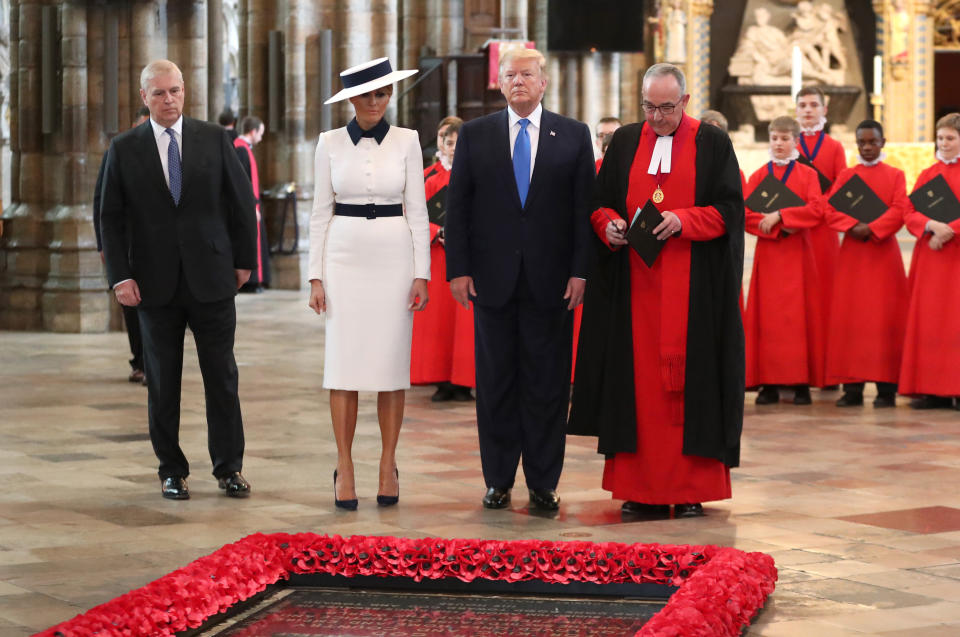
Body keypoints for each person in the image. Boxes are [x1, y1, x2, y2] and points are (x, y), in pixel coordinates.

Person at [569, 63, 745, 519]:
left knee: (690, 389)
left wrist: (685, 221)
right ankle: (638, 487)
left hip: (694, 292)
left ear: (684, 102)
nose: (657, 117)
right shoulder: (626, 140)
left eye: (666, 108)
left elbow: (729, 210)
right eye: (649, 107)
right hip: (633, 293)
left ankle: (690, 488)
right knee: (636, 389)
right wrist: (607, 225)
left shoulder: (712, 141)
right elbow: (598, 201)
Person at [445, 47, 595, 511]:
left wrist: (580, 271)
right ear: (500, 82)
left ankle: (543, 481)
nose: (518, 82)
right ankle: (498, 479)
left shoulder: (573, 135)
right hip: (491, 281)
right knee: (495, 385)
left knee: (547, 385)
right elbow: (460, 208)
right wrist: (458, 270)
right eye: (509, 75)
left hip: (552, 284)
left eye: (526, 75)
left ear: (543, 82)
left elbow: (582, 211)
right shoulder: (476, 135)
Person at [99, 60, 258, 500]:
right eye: (158, 93)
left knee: (222, 377)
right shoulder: (124, 148)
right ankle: (171, 469)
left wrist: (244, 262)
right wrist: (120, 277)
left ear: (184, 91)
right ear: (143, 98)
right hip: (153, 283)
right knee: (163, 382)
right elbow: (109, 219)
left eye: (174, 91)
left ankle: (229, 467)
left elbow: (241, 203)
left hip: (212, 277)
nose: (168, 100)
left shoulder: (214, 139)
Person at [308, 58, 429, 510]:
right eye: (365, 95)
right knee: (344, 366)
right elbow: (321, 211)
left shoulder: (409, 141)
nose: (374, 102)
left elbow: (417, 209)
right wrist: (315, 276)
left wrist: (422, 273)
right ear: (351, 100)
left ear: (390, 96)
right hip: (343, 257)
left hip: (395, 257)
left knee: (391, 367)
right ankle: (345, 465)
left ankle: (387, 463)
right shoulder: (329, 143)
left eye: (381, 93)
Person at [821, 120, 908, 408]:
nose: (867, 147)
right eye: (862, 143)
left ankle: (886, 389)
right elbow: (829, 209)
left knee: (885, 320)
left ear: (883, 142)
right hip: (854, 257)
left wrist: (873, 228)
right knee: (852, 320)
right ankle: (853, 387)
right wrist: (852, 226)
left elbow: (900, 209)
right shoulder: (847, 176)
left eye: (873, 142)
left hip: (883, 255)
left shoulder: (896, 175)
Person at [743, 116, 824, 405]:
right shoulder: (758, 176)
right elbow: (746, 214)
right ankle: (769, 384)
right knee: (767, 319)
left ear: (796, 141)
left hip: (798, 253)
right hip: (769, 254)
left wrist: (782, 217)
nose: (779, 144)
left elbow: (817, 209)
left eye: (784, 139)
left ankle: (800, 382)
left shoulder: (808, 175)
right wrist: (774, 225)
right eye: (774, 138)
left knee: (799, 318)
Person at [899, 112, 960, 410]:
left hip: (956, 258)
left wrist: (949, 231)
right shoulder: (927, 174)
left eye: (950, 138)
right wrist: (930, 226)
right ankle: (931, 389)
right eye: (940, 138)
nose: (944, 143)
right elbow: (909, 211)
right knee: (931, 321)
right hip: (931, 257)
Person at [412, 120, 475, 402]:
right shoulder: (426, 177)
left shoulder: (477, 175)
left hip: (467, 256)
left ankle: (464, 380)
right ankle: (440, 379)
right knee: (438, 321)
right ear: (439, 144)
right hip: (436, 257)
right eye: (447, 142)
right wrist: (438, 232)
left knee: (464, 321)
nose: (451, 148)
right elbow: (411, 215)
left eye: (457, 142)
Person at [94, 105, 150, 386]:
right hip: (127, 246)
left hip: (159, 250)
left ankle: (153, 365)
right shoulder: (118, 152)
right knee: (132, 309)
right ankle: (139, 359)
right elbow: (101, 205)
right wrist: (103, 244)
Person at [795, 86, 844, 390]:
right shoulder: (789, 141)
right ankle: (797, 370)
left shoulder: (835, 147)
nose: (809, 110)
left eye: (814, 105)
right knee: (798, 301)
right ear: (796, 110)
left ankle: (827, 373)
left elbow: (841, 183)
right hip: (797, 229)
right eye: (803, 105)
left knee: (825, 299)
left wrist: (818, 208)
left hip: (824, 230)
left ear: (825, 110)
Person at [234, 115, 271, 293]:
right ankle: (250, 282)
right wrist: (251, 206)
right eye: (261, 133)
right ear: (253, 131)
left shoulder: (244, 148)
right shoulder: (240, 149)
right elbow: (243, 182)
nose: (261, 137)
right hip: (247, 207)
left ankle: (256, 281)